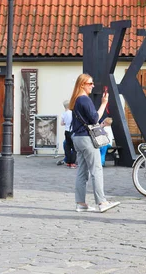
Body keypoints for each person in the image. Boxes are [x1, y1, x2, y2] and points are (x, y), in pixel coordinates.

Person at [69, 73, 120, 213]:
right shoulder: (84, 99)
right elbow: (95, 119)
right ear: (82, 85)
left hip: (77, 138)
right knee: (96, 170)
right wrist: (104, 103)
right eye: (90, 83)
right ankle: (102, 202)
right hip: (86, 139)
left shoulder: (75, 100)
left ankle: (80, 203)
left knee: (81, 172)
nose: (92, 86)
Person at [60, 99, 77, 168]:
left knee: (67, 147)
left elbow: (62, 123)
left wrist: (66, 123)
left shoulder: (64, 114)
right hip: (72, 131)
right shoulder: (73, 113)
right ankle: (73, 163)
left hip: (66, 131)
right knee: (74, 148)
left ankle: (68, 162)